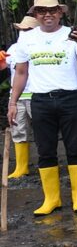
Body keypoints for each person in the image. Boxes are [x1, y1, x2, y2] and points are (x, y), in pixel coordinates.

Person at [6, 0, 77, 215]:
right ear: (35, 14)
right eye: (42, 11)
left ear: (60, 13)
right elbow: (21, 72)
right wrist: (12, 102)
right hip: (41, 100)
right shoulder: (26, 39)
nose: (47, 15)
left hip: (70, 98)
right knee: (45, 150)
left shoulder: (71, 34)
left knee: (75, 147)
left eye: (52, 10)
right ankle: (52, 199)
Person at [0, 15, 39, 178]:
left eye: (27, 29)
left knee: (42, 131)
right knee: (18, 129)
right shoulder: (14, 49)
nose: (23, 32)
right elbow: (4, 67)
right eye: (22, 29)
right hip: (16, 96)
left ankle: (48, 163)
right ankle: (21, 167)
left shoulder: (40, 46)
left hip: (37, 95)